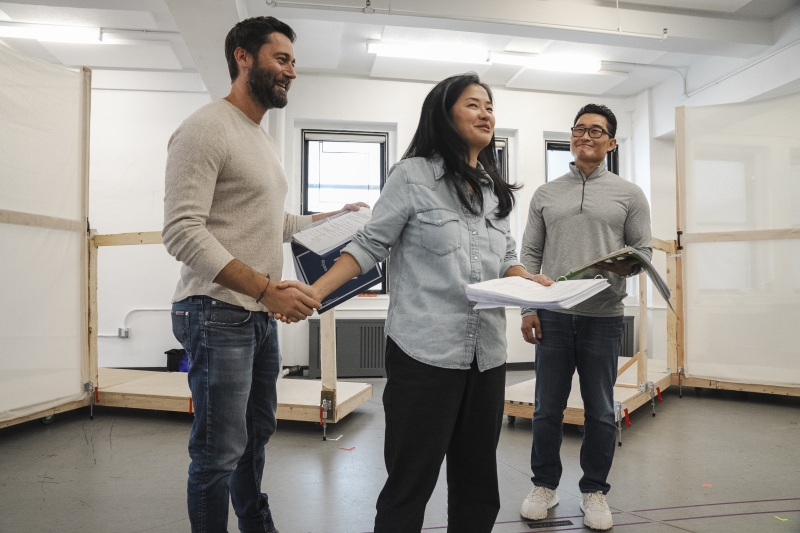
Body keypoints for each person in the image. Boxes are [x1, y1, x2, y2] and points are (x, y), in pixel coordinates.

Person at [289, 72, 535, 533]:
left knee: (479, 485)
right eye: (473, 105)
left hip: (488, 357)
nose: (486, 114)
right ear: (444, 114)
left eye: (489, 106)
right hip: (425, 354)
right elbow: (368, 245)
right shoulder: (412, 176)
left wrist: (529, 285)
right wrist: (315, 294)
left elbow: (507, 258)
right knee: (410, 484)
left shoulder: (492, 188)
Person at [162, 16, 367, 533]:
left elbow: (266, 222)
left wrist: (328, 219)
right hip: (215, 312)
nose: (291, 71)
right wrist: (265, 289)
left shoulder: (258, 137)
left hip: (254, 315)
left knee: (256, 435)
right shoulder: (206, 127)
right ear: (243, 57)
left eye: (293, 62)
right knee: (217, 453)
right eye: (282, 59)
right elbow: (182, 232)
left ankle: (256, 524)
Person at [517, 104, 652, 531]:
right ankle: (545, 486)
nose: (586, 136)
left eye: (596, 131)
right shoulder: (545, 193)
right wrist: (527, 307)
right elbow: (529, 255)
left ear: (611, 143)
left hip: (603, 315)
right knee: (546, 410)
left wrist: (625, 265)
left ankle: (594, 491)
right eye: (579, 129)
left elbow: (643, 252)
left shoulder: (629, 194)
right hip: (554, 315)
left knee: (598, 410)